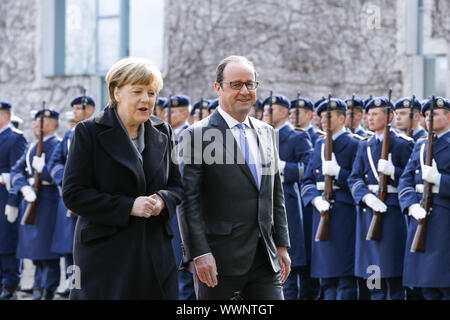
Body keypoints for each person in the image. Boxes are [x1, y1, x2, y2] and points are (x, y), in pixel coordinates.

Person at [62, 57, 183, 299]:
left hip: (154, 251)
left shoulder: (163, 131)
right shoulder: (89, 132)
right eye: (137, 91)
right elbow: (74, 195)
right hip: (105, 255)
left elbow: (177, 186)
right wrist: (129, 206)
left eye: (151, 92)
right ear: (117, 92)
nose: (146, 99)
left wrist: (161, 200)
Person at [178, 55, 291, 300]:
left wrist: (281, 245)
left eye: (250, 84)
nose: (245, 91)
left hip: (265, 258)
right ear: (218, 87)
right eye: (236, 84)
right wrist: (199, 253)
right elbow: (188, 202)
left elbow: (275, 194)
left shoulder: (267, 132)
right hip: (218, 261)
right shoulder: (196, 136)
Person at [348, 97, 414, 300]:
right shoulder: (365, 145)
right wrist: (366, 197)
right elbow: (354, 177)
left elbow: (411, 178)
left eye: (375, 113)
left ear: (389, 117)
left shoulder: (402, 144)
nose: (370, 118)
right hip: (369, 213)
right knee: (373, 275)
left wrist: (394, 171)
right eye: (369, 114)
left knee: (392, 275)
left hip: (391, 213)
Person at [301, 98, 360, 300]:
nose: (323, 120)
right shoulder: (319, 143)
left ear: (342, 118)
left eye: (329, 116)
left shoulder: (353, 144)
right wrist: (315, 200)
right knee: (325, 278)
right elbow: (307, 180)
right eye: (322, 116)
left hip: (343, 212)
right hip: (321, 212)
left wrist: (338, 173)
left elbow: (357, 180)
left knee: (344, 277)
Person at [398, 97, 450, 300]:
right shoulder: (421, 145)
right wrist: (410, 205)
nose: (429, 118)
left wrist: (439, 179)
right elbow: (406, 179)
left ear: (448, 117)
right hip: (420, 217)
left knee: (445, 285)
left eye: (435, 114)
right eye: (427, 115)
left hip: (444, 220)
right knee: (425, 286)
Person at [262, 94, 312, 300]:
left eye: (270, 110)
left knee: (285, 272)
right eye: (264, 110)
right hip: (262, 204)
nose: (265, 114)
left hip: (286, 203)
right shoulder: (260, 135)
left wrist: (283, 167)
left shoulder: (296, 136)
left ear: (284, 112)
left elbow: (308, 168)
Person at [47, 94, 96, 298]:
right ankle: (72, 284)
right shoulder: (69, 134)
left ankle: (89, 285)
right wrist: (63, 180)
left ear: (90, 109)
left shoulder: (97, 131)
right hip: (69, 197)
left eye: (79, 108)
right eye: (74, 108)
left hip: (90, 196)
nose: (75, 112)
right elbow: (55, 162)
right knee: (69, 247)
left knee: (89, 246)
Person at [10, 108, 62, 300]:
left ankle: (48, 288)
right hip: (31, 199)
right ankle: (38, 286)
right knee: (35, 250)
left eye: (40, 122)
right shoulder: (31, 147)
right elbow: (17, 170)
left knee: (47, 249)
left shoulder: (58, 145)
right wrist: (24, 189)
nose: (35, 125)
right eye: (35, 122)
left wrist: (46, 171)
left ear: (52, 124)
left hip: (48, 200)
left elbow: (62, 173)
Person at [164, 94, 196, 300]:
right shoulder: (164, 135)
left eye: (173, 111)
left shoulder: (190, 135)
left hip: (183, 205)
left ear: (185, 113)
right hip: (168, 204)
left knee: (184, 265)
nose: (167, 115)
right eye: (167, 111)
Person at [0, 102, 28, 300]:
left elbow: (17, 171)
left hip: (5, 198)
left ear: (5, 116)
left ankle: (10, 284)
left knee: (7, 241)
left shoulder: (15, 138)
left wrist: (12, 201)